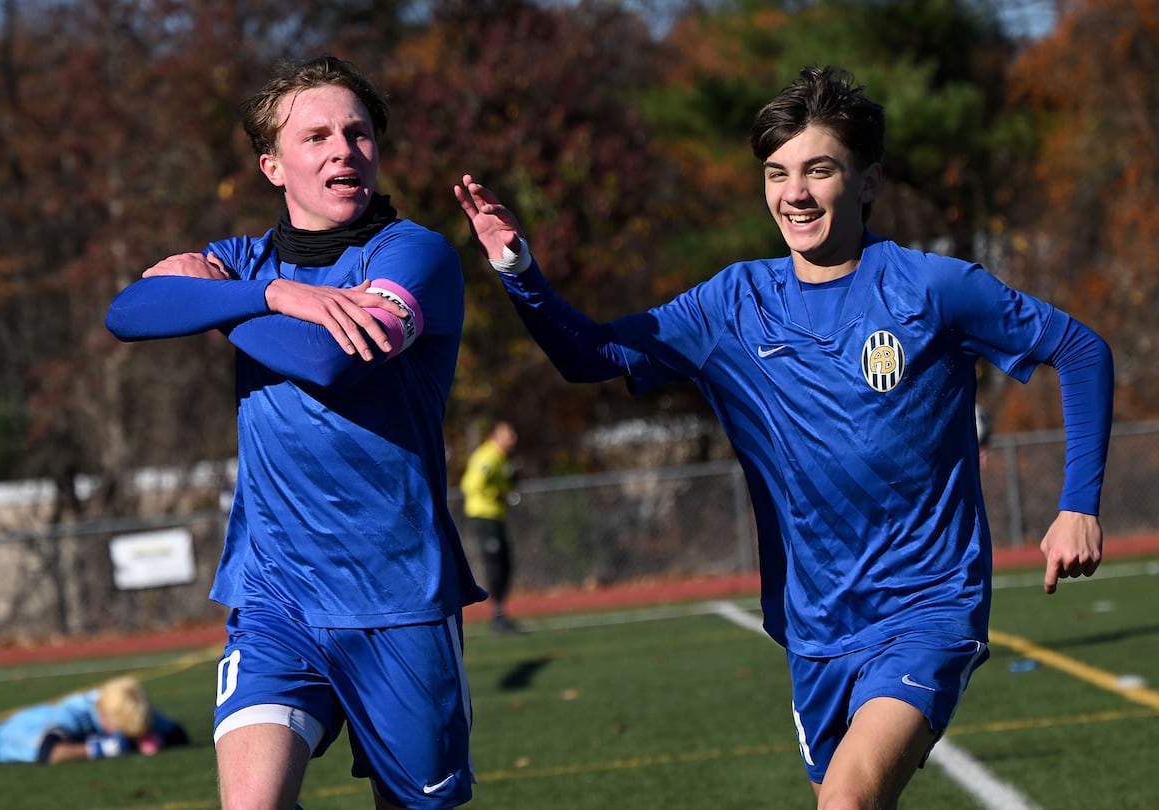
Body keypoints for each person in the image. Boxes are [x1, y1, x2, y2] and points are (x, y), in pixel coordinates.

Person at [455, 64, 1113, 809]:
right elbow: (590, 355)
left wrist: (1078, 502)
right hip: (814, 623)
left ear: (867, 182)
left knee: (848, 801)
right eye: (777, 173)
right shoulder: (731, 305)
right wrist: (517, 267)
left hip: (926, 606)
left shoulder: (933, 288)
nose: (794, 193)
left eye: (818, 169)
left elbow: (1081, 349)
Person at [105, 55, 483, 809]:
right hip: (275, 592)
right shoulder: (250, 263)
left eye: (358, 131)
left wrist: (223, 303)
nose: (343, 148)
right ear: (273, 165)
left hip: (395, 595)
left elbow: (330, 359)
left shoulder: (414, 255)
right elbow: (128, 311)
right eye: (316, 137)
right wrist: (272, 291)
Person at [0, 675, 189, 765]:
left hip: (46, 720)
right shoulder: (75, 713)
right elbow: (50, 753)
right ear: (104, 715)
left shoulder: (131, 706)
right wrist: (99, 749)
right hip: (30, 728)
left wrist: (153, 738)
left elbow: (178, 733)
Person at [460, 420, 522, 633]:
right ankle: (497, 615)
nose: (513, 439)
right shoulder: (487, 457)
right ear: (496, 435)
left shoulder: (502, 459)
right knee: (495, 564)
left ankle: (501, 612)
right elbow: (470, 485)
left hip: (496, 516)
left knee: (506, 563)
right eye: (509, 434)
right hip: (483, 516)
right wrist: (497, 494)